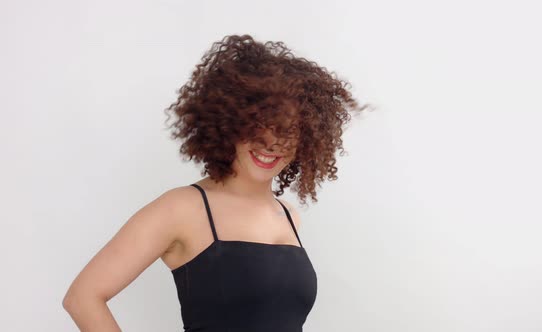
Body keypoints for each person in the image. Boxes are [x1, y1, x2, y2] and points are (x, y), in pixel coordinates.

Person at [62, 34, 369, 331]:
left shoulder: (289, 216)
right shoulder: (182, 208)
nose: (271, 143)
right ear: (229, 124)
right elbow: (83, 297)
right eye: (258, 126)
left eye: (287, 130)